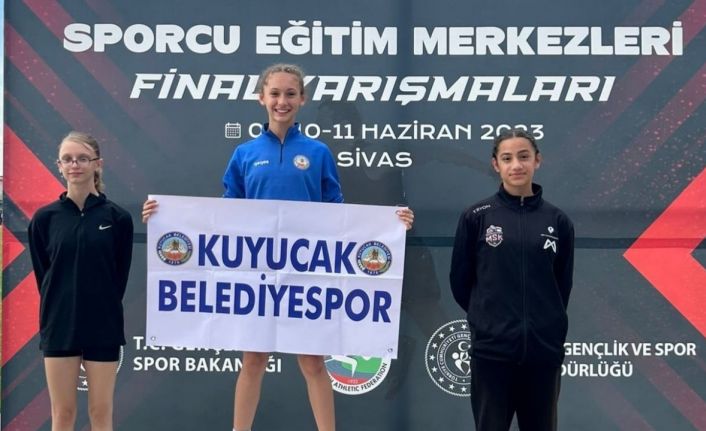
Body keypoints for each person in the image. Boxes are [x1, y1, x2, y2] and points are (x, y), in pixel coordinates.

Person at [142, 63, 414, 431]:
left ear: (302, 99)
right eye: (274, 93)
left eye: (290, 94)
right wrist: (167, 219)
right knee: (253, 360)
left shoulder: (318, 152)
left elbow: (338, 213)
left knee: (313, 362)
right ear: (261, 98)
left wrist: (388, 225)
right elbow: (225, 212)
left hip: (306, 273)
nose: (281, 101)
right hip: (256, 275)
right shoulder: (245, 153)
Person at [449, 128, 574, 431]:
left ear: (537, 160)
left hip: (543, 355)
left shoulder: (558, 221)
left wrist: (544, 326)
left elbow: (562, 285)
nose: (516, 165)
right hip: (492, 355)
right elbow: (460, 282)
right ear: (496, 165)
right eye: (507, 158)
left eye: (523, 156)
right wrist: (489, 321)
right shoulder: (476, 217)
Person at [28, 131, 134, 431]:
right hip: (59, 325)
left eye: (83, 158)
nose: (75, 165)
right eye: (68, 159)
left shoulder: (118, 218)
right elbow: (44, 275)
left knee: (101, 413)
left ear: (97, 164)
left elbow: (119, 275)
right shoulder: (44, 219)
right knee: (63, 414)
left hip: (104, 325)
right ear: (59, 166)